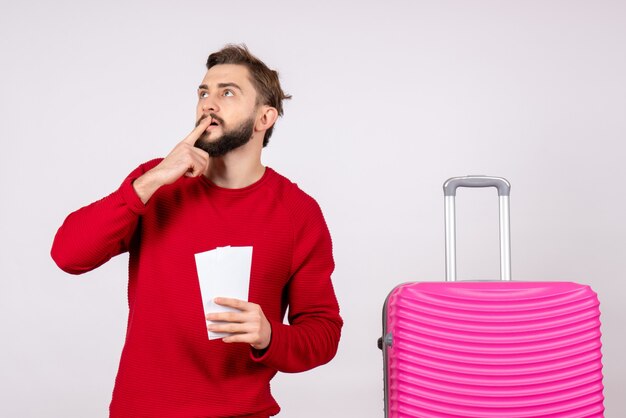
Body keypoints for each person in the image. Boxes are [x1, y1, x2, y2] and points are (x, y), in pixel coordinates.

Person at [51, 44, 343, 418]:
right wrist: (151, 180)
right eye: (204, 92)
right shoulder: (156, 184)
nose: (208, 103)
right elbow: (68, 255)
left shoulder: (298, 213)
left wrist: (270, 334)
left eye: (227, 93)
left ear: (264, 118)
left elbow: (323, 332)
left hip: (242, 412)